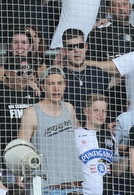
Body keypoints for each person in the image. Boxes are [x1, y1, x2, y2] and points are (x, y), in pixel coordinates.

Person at [17, 66, 84, 194]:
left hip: (74, 185)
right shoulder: (31, 113)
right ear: (42, 87)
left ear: (65, 85)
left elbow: (81, 137)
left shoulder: (69, 108)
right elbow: (20, 149)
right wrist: (19, 179)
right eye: (50, 84)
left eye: (59, 83)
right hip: (45, 187)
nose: (56, 88)